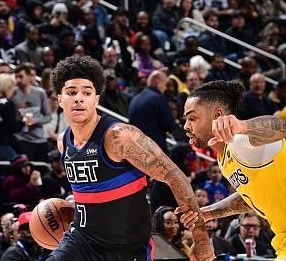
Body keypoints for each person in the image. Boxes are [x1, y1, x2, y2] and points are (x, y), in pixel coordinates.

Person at [43, 55, 213, 261]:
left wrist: (200, 237)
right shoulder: (63, 142)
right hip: (81, 242)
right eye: (71, 92)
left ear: (96, 99)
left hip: (128, 248)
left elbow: (174, 175)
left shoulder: (119, 137)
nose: (79, 98)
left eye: (86, 92)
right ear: (60, 99)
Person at [179, 79, 286, 260]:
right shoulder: (224, 159)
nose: (186, 126)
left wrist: (243, 126)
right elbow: (252, 196)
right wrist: (209, 212)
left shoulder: (241, 142)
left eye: (192, 118)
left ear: (217, 115)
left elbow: (282, 127)